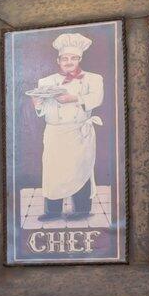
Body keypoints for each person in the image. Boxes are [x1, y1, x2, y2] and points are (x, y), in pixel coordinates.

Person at [31, 31, 104, 221]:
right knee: (53, 170)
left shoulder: (93, 79)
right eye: (65, 58)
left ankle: (81, 210)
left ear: (79, 59)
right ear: (58, 60)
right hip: (54, 132)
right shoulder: (45, 82)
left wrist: (74, 98)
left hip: (79, 131)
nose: (69, 61)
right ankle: (52, 212)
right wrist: (38, 104)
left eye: (73, 58)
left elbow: (96, 99)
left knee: (81, 168)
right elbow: (44, 109)